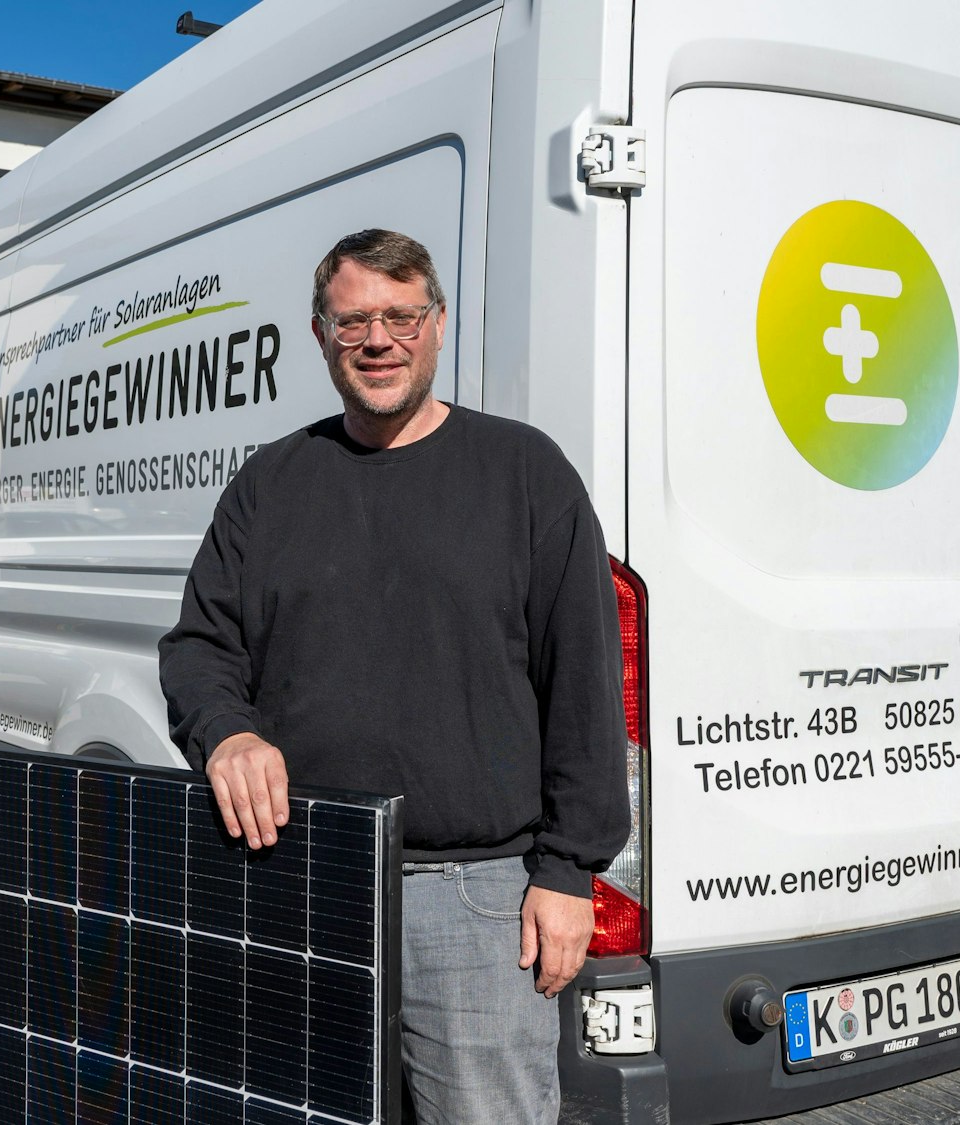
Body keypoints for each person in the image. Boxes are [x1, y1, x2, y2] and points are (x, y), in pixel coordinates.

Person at [159, 230, 630, 1123]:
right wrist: (229, 730)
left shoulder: (525, 474)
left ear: (438, 325)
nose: (378, 339)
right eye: (354, 321)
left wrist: (570, 874)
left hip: (481, 901)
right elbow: (196, 648)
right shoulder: (270, 484)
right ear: (319, 334)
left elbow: (586, 689)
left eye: (401, 316)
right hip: (304, 880)